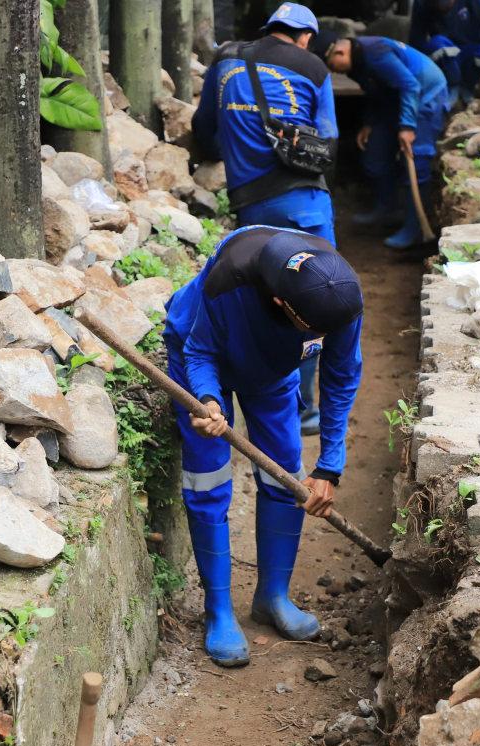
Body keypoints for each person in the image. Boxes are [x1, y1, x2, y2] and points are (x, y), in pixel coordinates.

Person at [163, 225, 363, 667]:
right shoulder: (231, 277)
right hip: (200, 356)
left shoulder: (338, 294)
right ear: (280, 304)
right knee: (207, 479)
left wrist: (329, 466)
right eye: (313, 330)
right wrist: (209, 401)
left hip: (273, 370)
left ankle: (272, 597)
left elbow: (341, 376)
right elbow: (200, 351)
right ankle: (218, 612)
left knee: (285, 474)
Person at [192, 2, 340, 437]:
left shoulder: (225, 60)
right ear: (305, 36)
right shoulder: (313, 68)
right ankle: (307, 411)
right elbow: (328, 144)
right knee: (312, 301)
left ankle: (257, 396)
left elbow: (204, 128)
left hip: (253, 211)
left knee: (264, 304)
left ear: (270, 28)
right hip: (307, 206)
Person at [316, 34, 447, 249]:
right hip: (394, 101)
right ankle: (388, 210)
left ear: (339, 52)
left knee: (416, 159)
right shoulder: (356, 63)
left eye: (331, 65)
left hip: (424, 95)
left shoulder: (376, 52)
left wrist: (407, 126)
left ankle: (415, 229)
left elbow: (410, 85)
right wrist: (369, 123)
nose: (333, 71)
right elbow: (377, 93)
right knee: (374, 154)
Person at [409, 0, 480, 105]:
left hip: (473, 52)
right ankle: (451, 88)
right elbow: (416, 44)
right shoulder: (422, 3)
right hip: (447, 58)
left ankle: (471, 87)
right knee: (436, 44)